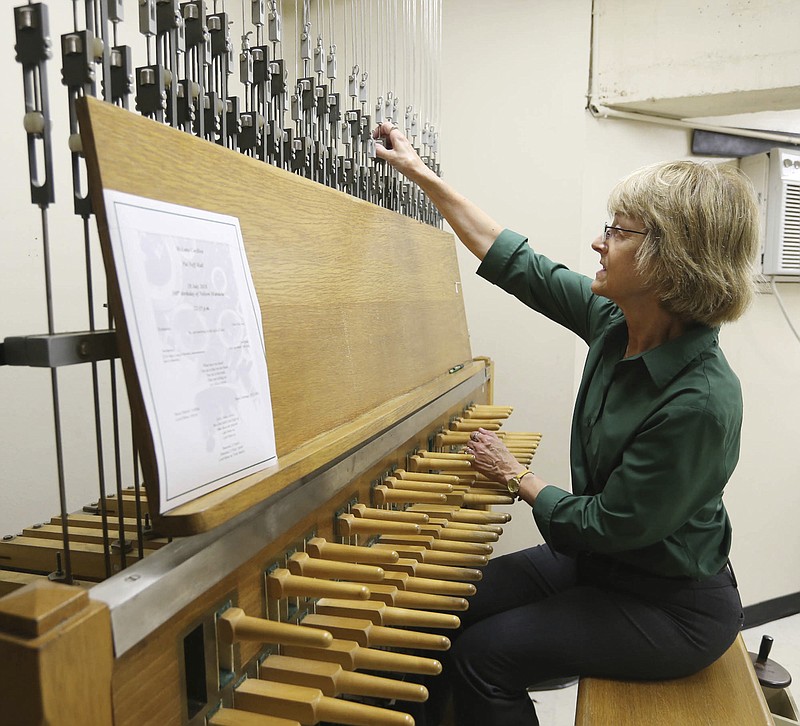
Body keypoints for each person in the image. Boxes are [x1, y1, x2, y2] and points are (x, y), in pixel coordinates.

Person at [373, 121, 760, 726]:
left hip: (670, 605)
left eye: (618, 231)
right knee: (443, 611)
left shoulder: (702, 401)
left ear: (669, 261)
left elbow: (610, 525)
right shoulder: (614, 319)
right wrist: (420, 176)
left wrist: (517, 478)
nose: (599, 244)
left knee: (482, 658)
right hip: (600, 566)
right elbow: (520, 262)